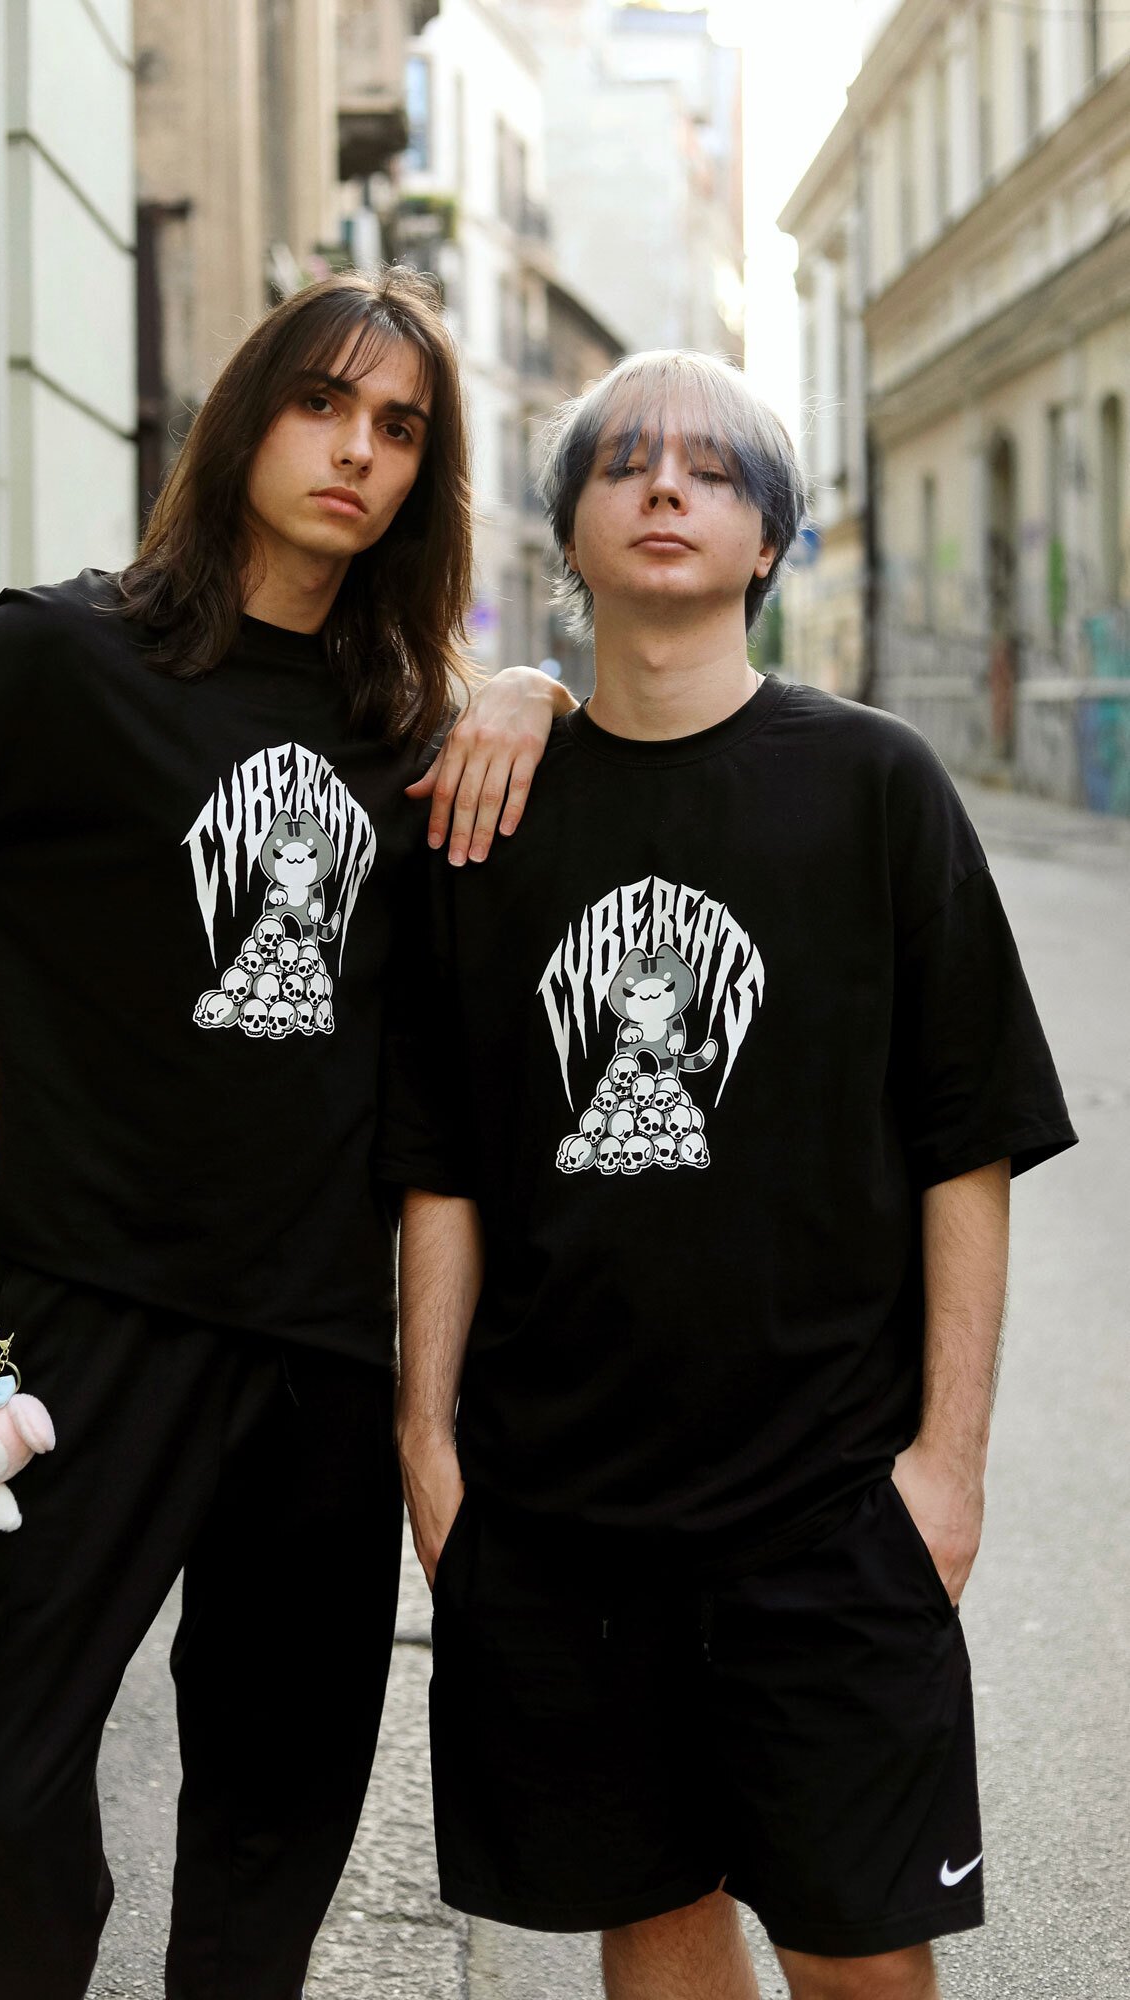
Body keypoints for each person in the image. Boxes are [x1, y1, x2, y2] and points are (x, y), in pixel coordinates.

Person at [0, 269, 573, 2000]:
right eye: (323, 404)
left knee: (278, 1802)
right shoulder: (62, 657)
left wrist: (534, 684)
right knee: (12, 1779)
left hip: (323, 1341)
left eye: (400, 428)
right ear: (243, 418)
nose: (357, 450)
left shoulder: (415, 722)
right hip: (82, 1311)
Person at [383, 350, 1077, 2000]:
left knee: (859, 1957)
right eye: (623, 464)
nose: (663, 488)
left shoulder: (874, 787)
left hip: (828, 1505)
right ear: (569, 530)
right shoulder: (486, 815)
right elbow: (443, 1167)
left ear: (767, 536)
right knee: (655, 1924)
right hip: (559, 1513)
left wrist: (946, 1470)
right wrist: (427, 1448)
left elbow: (964, 1144)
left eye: (708, 470)